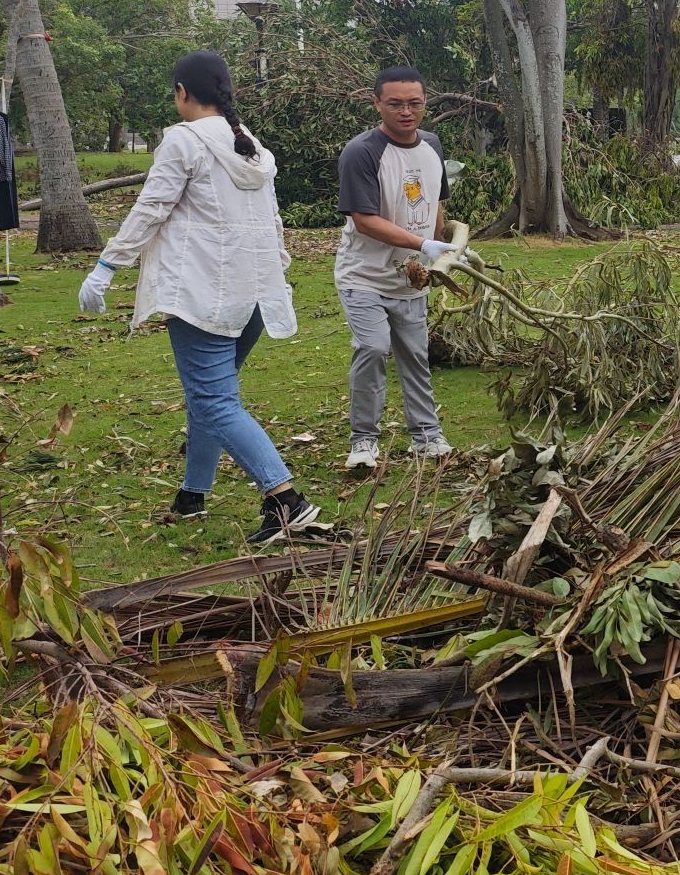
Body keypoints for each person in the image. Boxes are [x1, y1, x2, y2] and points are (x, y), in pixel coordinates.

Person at [79, 51, 327, 546]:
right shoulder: (251, 146)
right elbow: (273, 224)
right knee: (207, 398)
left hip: (202, 297)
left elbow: (151, 208)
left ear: (182, 93)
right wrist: (278, 275)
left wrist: (106, 268)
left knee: (215, 400)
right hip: (255, 295)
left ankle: (286, 501)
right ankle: (193, 493)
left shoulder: (184, 140)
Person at [336, 66, 457, 471]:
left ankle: (426, 436)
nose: (406, 112)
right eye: (395, 104)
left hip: (411, 276)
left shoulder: (433, 145)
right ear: (377, 104)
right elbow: (364, 219)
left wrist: (439, 252)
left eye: (415, 103)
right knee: (372, 348)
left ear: (425, 103)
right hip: (364, 275)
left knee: (415, 354)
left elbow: (436, 202)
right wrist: (423, 243)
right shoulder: (362, 152)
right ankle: (363, 441)